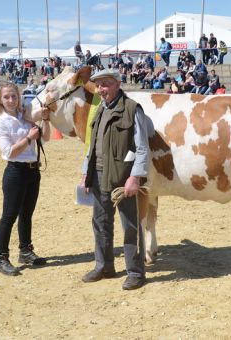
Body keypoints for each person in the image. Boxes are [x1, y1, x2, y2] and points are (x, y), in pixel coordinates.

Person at [81, 68, 148, 290]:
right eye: (99, 85)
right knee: (100, 222)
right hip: (99, 175)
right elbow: (92, 145)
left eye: (106, 84)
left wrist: (135, 178)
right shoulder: (100, 109)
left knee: (130, 226)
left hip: (122, 178)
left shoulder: (132, 109)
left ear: (118, 84)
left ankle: (135, 272)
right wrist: (85, 171)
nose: (102, 89)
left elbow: (142, 149)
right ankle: (104, 266)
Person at [0, 83, 51, 276]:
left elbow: (46, 138)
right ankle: (1, 258)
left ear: (19, 97)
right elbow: (8, 152)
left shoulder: (25, 117)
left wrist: (46, 120)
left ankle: (25, 250)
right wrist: (28, 138)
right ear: (0, 100)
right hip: (15, 172)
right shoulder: (0, 122)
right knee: (9, 216)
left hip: (33, 171)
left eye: (14, 96)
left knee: (26, 214)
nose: (10, 100)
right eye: (6, 97)